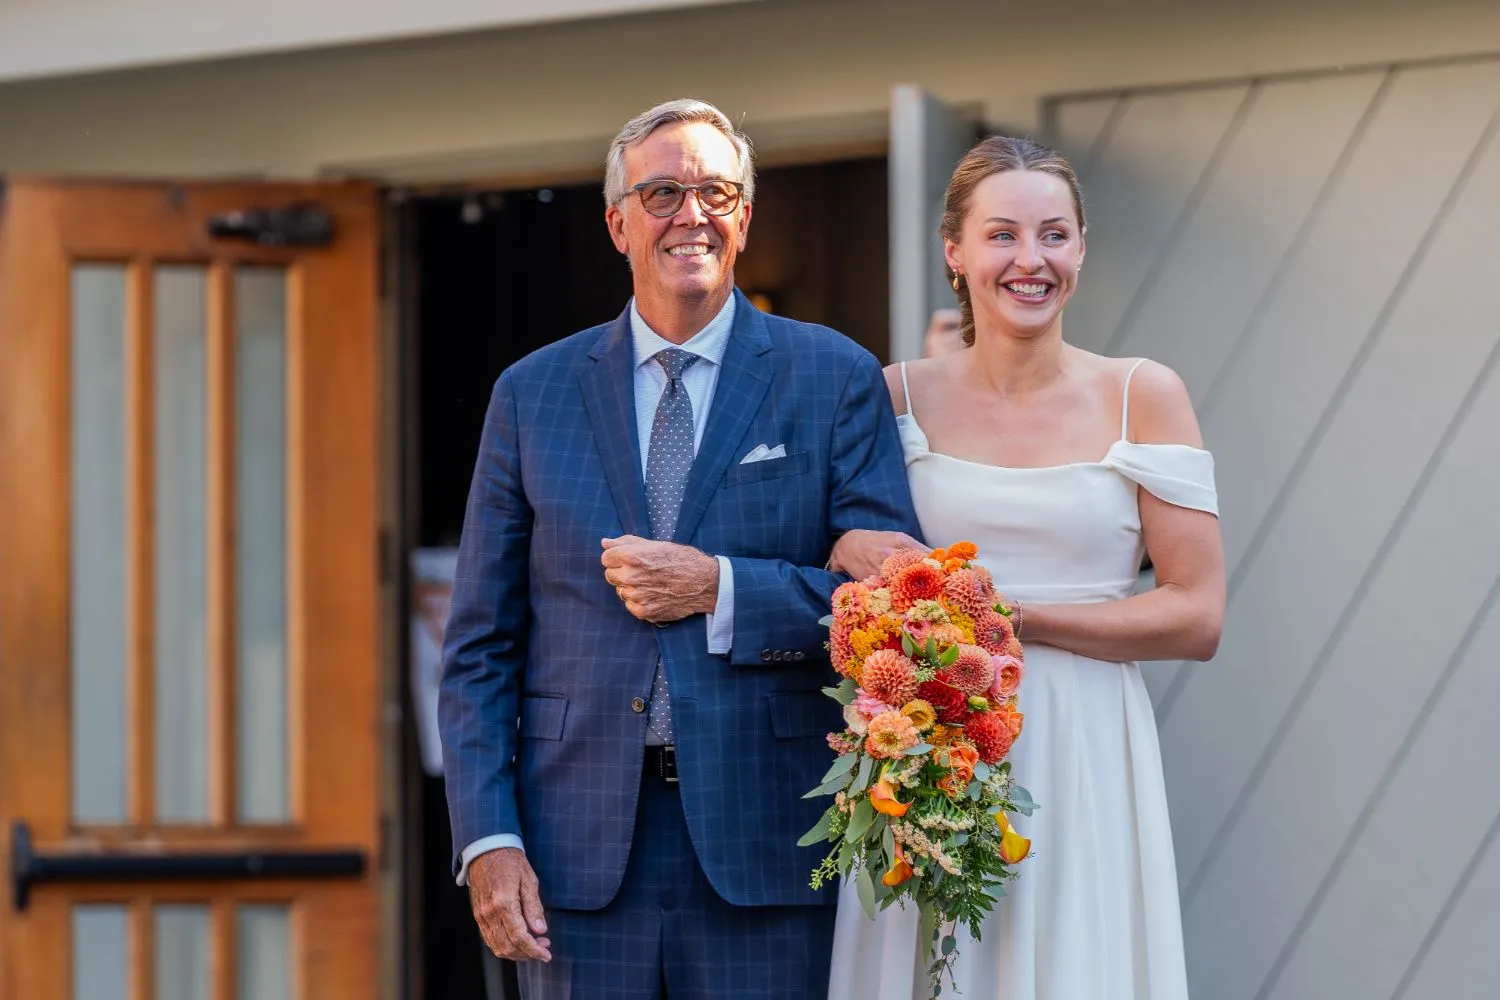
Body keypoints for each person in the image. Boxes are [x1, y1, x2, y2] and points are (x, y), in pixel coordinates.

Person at [437, 98, 921, 1000]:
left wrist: (723, 589)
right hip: (575, 857)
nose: (688, 214)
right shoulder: (530, 394)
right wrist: (488, 839)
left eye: (713, 191)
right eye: (662, 193)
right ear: (618, 222)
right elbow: (478, 650)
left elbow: (898, 611)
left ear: (744, 214)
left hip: (766, 842)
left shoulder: (832, 376)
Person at [825, 136, 1226, 1000]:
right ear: (955, 252)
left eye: (1054, 234)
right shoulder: (889, 394)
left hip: (1085, 744)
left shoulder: (1142, 394)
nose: (1029, 259)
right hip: (931, 746)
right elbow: (834, 545)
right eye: (1002, 234)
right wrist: (847, 551)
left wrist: (1015, 621)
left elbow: (1197, 615)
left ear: (1081, 247)